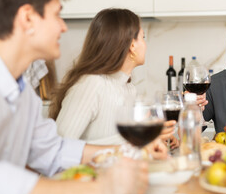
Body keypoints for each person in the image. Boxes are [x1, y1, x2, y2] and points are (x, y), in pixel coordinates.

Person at [0, 0, 165, 194]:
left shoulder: (23, 92)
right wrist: (103, 188)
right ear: (27, 18)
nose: (63, 26)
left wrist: (127, 150)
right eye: (57, 14)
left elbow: (54, 151)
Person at [48, 8, 179, 149]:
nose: (145, 45)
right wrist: (138, 140)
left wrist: (152, 139)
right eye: (143, 37)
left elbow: (124, 148)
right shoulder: (91, 84)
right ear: (132, 46)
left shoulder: (128, 89)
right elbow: (59, 148)